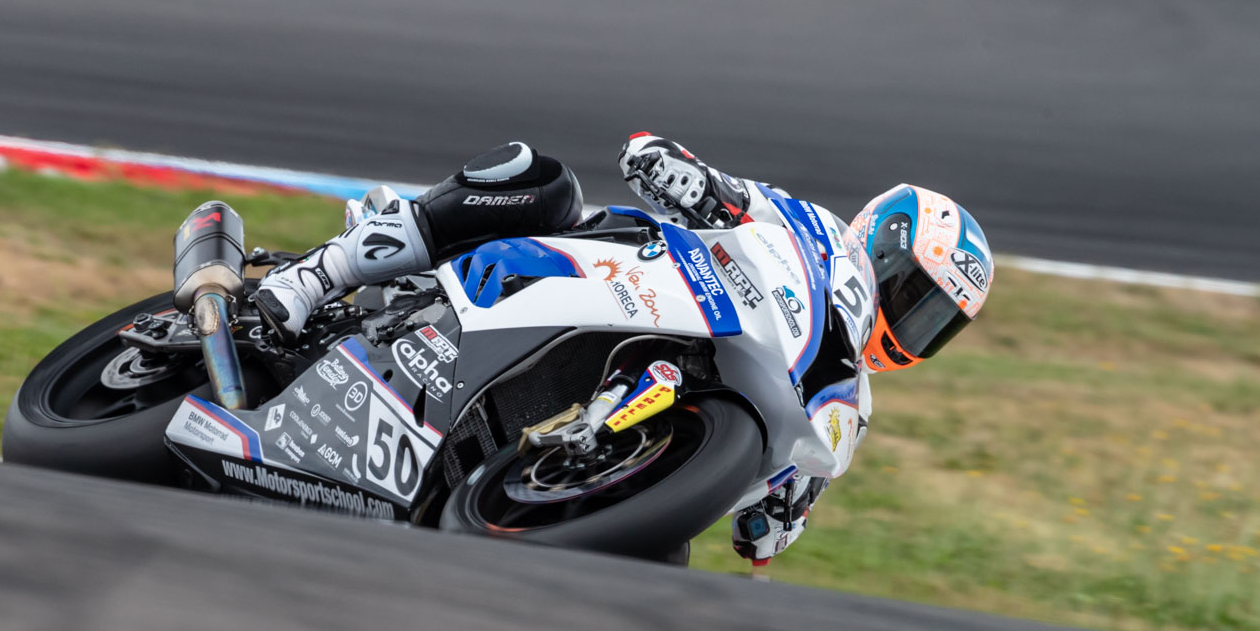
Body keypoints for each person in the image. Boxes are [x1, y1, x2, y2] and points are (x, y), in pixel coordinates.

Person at [254, 135, 993, 563]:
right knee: (538, 179)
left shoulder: (848, 406)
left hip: (710, 379)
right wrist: (680, 172)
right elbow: (722, 191)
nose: (911, 319)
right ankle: (320, 274)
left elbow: (769, 525)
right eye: (915, 291)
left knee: (664, 558)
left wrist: (776, 519)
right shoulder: (813, 228)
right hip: (628, 270)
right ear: (884, 242)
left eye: (935, 320)